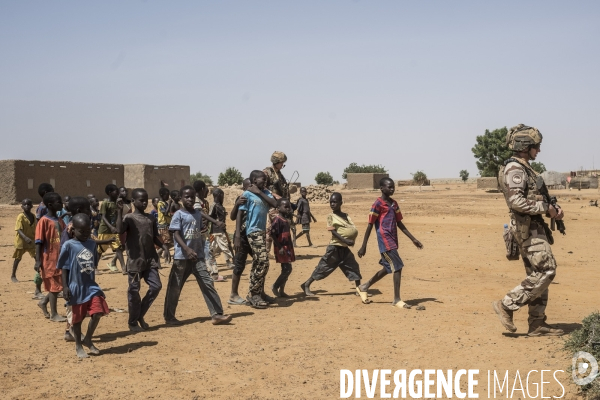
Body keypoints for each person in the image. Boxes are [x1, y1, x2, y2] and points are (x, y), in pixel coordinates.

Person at [492, 124, 564, 337]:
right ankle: (506, 305)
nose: (538, 150)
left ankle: (537, 323)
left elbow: (532, 197)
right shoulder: (515, 169)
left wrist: (552, 208)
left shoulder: (524, 167)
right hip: (527, 230)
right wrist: (546, 208)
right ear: (525, 146)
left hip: (531, 228)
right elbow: (516, 201)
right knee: (546, 270)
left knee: (537, 275)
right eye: (536, 146)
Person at [163, 186, 232, 325]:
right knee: (175, 287)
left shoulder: (198, 214)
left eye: (192, 197)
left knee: (207, 283)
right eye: (186, 197)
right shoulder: (178, 214)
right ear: (181, 198)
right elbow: (175, 234)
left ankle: (217, 314)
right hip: (181, 258)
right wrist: (187, 249)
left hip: (198, 257)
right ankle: (169, 317)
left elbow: (200, 231)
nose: (189, 199)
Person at [357, 178, 424, 309]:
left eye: (393, 187)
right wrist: (363, 245)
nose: (392, 189)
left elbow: (399, 223)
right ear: (381, 188)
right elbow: (370, 225)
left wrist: (413, 239)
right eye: (389, 187)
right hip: (385, 240)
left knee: (388, 268)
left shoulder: (394, 204)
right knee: (397, 266)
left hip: (393, 239)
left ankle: (364, 286)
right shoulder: (377, 204)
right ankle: (397, 299)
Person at [116, 188, 170, 332]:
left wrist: (164, 247)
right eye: (141, 200)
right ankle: (132, 322)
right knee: (134, 291)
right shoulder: (129, 219)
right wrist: (119, 212)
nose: (144, 202)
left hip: (150, 260)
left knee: (156, 286)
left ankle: (139, 314)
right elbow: (119, 230)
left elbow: (154, 237)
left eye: (146, 200)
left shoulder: (150, 218)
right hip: (135, 261)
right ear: (133, 201)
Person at [58, 213, 109, 358]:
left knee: (98, 312)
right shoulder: (68, 246)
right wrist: (65, 287)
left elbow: (93, 263)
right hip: (75, 287)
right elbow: (64, 268)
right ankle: (79, 345)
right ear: (73, 230)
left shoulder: (92, 244)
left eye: (88, 231)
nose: (86, 234)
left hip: (91, 286)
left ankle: (88, 339)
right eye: (82, 231)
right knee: (78, 319)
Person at [301, 192, 362, 297]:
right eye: (331, 202)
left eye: (335, 202)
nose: (332, 204)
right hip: (335, 248)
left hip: (344, 249)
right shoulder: (330, 216)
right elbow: (333, 231)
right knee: (323, 267)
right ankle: (306, 284)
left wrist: (350, 239)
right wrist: (345, 240)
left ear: (341, 202)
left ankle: (359, 289)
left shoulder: (346, 215)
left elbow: (350, 228)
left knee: (353, 267)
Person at [234, 170, 278, 309]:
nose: (264, 181)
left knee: (261, 262)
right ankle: (254, 294)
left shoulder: (265, 193)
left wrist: (259, 192)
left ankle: (257, 292)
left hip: (261, 231)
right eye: (261, 179)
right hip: (252, 231)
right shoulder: (247, 194)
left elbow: (274, 204)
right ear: (253, 180)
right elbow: (239, 214)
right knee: (263, 261)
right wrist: (236, 235)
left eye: (265, 179)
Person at [34, 192, 67, 322]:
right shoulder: (43, 221)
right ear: (50, 205)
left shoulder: (59, 220)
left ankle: (43, 302)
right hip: (49, 258)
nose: (62, 204)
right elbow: (38, 242)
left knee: (59, 285)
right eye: (59, 202)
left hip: (60, 258)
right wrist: (38, 261)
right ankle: (54, 314)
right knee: (54, 286)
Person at [192, 180, 223, 282]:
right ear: (202, 189)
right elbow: (200, 213)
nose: (207, 191)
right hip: (198, 233)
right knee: (208, 252)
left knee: (204, 253)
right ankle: (213, 274)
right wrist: (216, 222)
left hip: (203, 231)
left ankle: (206, 274)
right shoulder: (196, 201)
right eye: (206, 188)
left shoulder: (204, 202)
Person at [228, 178, 252, 305]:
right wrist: (237, 204)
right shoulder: (242, 199)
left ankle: (257, 292)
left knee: (260, 262)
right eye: (248, 187)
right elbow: (232, 217)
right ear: (244, 188)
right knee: (239, 265)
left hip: (253, 236)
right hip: (242, 236)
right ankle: (233, 294)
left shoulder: (255, 198)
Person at [263, 151, 291, 253]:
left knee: (277, 228)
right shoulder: (267, 172)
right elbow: (262, 188)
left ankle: (276, 250)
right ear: (276, 162)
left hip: (279, 206)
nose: (282, 165)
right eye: (281, 163)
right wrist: (274, 195)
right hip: (271, 205)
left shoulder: (279, 174)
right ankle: (267, 251)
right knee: (271, 228)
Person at [270, 198, 295, 297]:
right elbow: (272, 234)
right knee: (287, 269)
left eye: (289, 207)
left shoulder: (285, 219)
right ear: (278, 208)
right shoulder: (277, 220)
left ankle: (282, 290)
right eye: (286, 207)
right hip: (282, 248)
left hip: (287, 247)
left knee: (286, 269)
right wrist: (280, 247)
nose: (288, 209)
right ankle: (275, 286)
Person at [97, 184, 125, 273]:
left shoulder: (116, 203)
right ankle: (94, 266)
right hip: (104, 230)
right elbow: (103, 217)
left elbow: (117, 216)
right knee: (100, 250)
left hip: (114, 230)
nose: (118, 193)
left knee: (118, 248)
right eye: (116, 191)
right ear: (110, 193)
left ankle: (124, 268)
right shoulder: (105, 203)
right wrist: (111, 227)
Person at [33, 182, 54, 299]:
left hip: (50, 240)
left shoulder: (48, 206)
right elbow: (39, 225)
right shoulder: (42, 208)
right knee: (40, 266)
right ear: (46, 193)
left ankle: (53, 288)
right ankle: (37, 290)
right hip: (43, 240)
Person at [209, 188, 234, 272]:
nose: (223, 198)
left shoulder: (220, 206)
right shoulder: (214, 205)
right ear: (219, 195)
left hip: (221, 230)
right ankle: (228, 262)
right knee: (224, 246)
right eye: (222, 196)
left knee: (215, 248)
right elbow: (209, 216)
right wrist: (217, 222)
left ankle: (227, 262)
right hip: (216, 231)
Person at [12, 199, 36, 283]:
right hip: (21, 241)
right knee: (17, 258)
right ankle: (13, 275)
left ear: (32, 206)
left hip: (31, 241)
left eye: (29, 204)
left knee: (37, 257)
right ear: (22, 206)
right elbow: (18, 229)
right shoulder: (20, 216)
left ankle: (40, 274)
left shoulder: (33, 216)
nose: (27, 206)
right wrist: (25, 238)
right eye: (25, 204)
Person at [157, 187, 174, 259]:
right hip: (163, 225)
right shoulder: (160, 204)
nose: (168, 197)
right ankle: (166, 257)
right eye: (167, 195)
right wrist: (170, 203)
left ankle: (159, 253)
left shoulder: (165, 203)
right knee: (166, 243)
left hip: (168, 225)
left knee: (171, 242)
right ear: (161, 195)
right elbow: (166, 213)